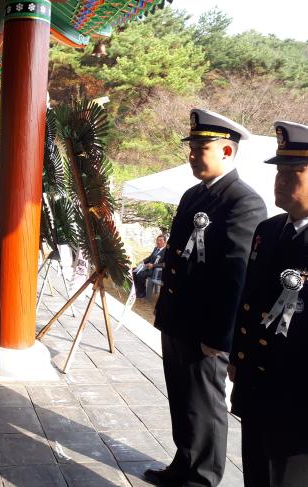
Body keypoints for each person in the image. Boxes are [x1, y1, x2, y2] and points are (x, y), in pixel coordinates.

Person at [146, 109, 267, 486]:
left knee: (205, 406)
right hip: (177, 319)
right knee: (181, 401)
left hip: (205, 329)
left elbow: (234, 276)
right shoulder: (194, 194)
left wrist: (219, 337)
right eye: (193, 147)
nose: (193, 154)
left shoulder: (242, 202)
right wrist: (164, 313)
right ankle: (184, 464)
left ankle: (203, 477)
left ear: (227, 153)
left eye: (202, 147)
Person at [229, 121, 308, 487]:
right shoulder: (269, 230)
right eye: (279, 171)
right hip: (257, 385)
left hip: (297, 401)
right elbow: (251, 299)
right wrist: (236, 358)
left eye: (294, 172)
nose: (281, 180)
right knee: (256, 476)